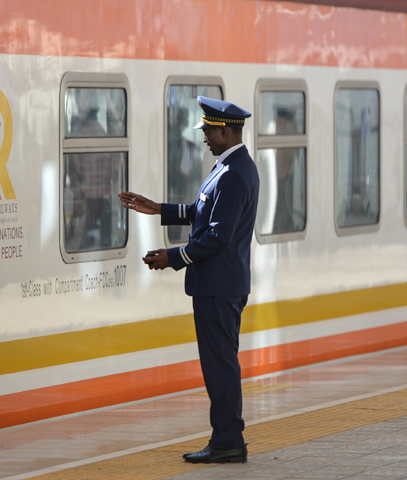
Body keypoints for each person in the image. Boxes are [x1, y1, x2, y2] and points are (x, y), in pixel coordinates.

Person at [119, 96, 259, 464]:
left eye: (209, 131)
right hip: (219, 284)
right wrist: (157, 209)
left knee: (220, 366)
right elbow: (203, 211)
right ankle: (226, 438)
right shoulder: (230, 167)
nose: (204, 137)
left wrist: (173, 257)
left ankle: (228, 440)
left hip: (219, 286)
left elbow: (217, 235)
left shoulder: (233, 174)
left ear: (225, 132)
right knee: (219, 364)